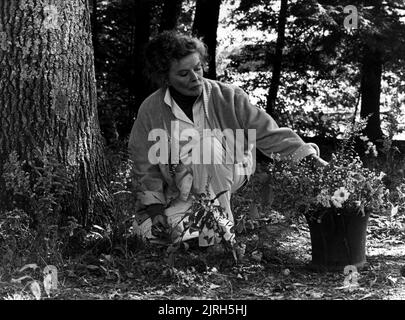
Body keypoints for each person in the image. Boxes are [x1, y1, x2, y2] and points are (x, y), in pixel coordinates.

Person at [128, 31, 327, 247]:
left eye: (197, 68)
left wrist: (307, 157)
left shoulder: (229, 96)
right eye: (184, 74)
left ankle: (220, 233)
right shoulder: (150, 109)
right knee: (147, 233)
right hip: (180, 184)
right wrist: (155, 210)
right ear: (165, 77)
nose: (195, 78)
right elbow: (144, 164)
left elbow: (268, 132)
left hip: (231, 168)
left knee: (204, 146)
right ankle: (193, 230)